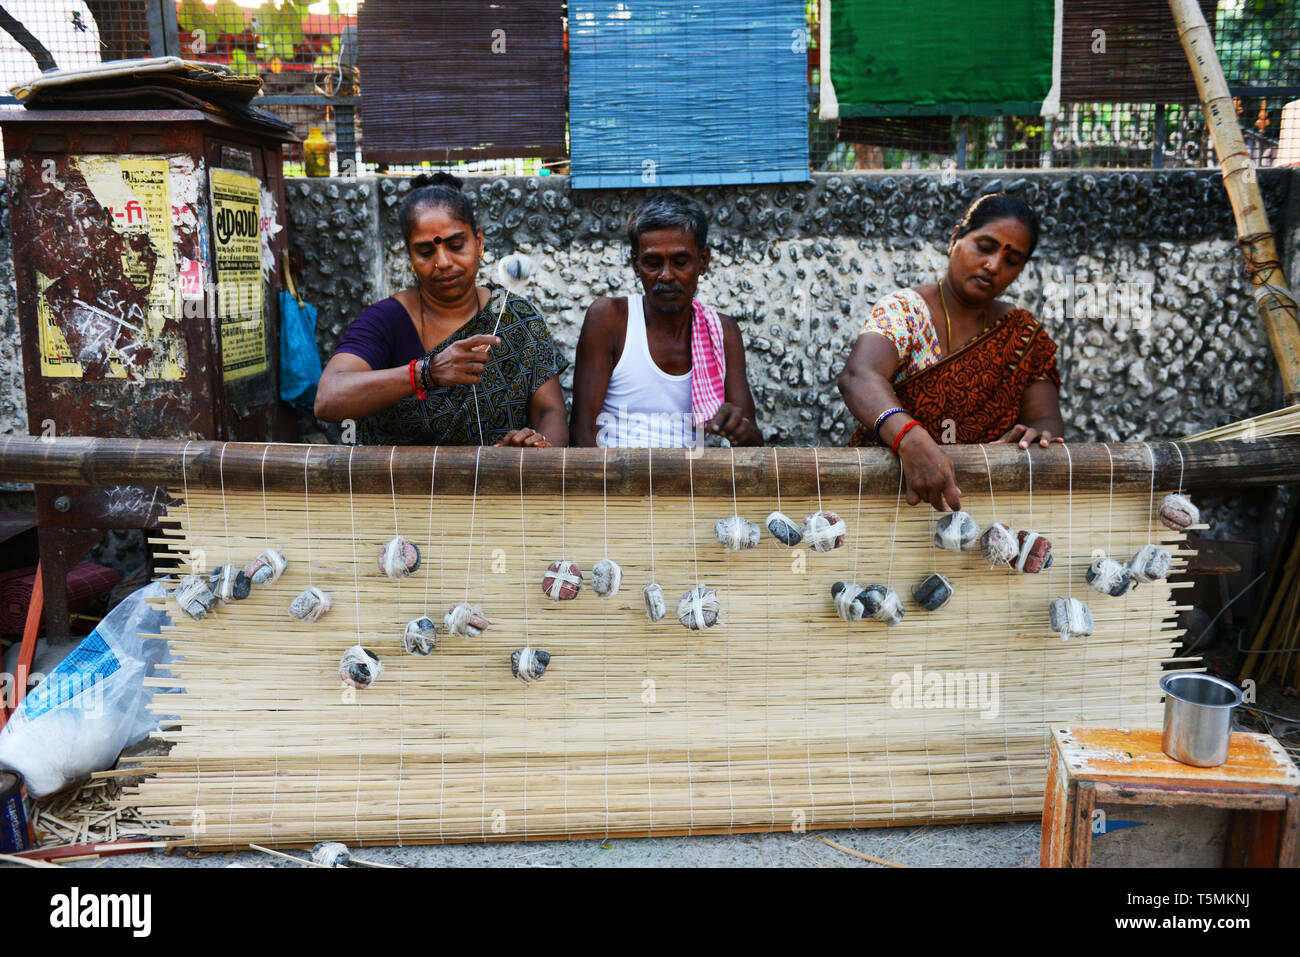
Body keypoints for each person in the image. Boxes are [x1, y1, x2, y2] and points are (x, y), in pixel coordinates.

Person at [836, 193, 1064, 511]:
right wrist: (911, 440)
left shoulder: (1023, 333)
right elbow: (858, 376)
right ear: (955, 237)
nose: (993, 265)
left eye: (1012, 261)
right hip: (888, 497)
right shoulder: (906, 311)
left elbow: (1046, 419)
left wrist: (1039, 436)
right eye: (985, 247)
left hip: (983, 506)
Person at [314, 172, 568, 447]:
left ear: (479, 241)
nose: (443, 261)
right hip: (402, 486)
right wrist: (426, 373)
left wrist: (539, 448)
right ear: (410, 257)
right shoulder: (387, 320)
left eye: (456, 245)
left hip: (503, 485)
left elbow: (550, 410)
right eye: (425, 252)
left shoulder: (514, 316)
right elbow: (328, 399)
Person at [569, 192, 761, 447]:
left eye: (680, 262)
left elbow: (754, 444)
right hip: (614, 478)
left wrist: (739, 428)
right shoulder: (609, 319)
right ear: (635, 264)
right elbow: (582, 433)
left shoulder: (723, 332)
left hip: (692, 481)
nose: (666, 276)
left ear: (703, 262)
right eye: (652, 263)